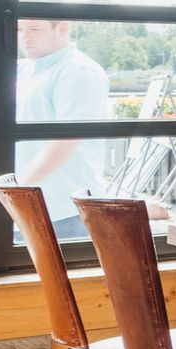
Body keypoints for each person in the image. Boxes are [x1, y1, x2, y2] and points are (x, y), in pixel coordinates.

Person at [15, 13, 108, 237]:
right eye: (20, 30)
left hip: (65, 210)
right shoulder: (29, 70)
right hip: (33, 204)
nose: (25, 37)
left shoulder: (78, 71)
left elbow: (67, 138)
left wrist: (19, 187)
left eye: (35, 29)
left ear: (62, 28)